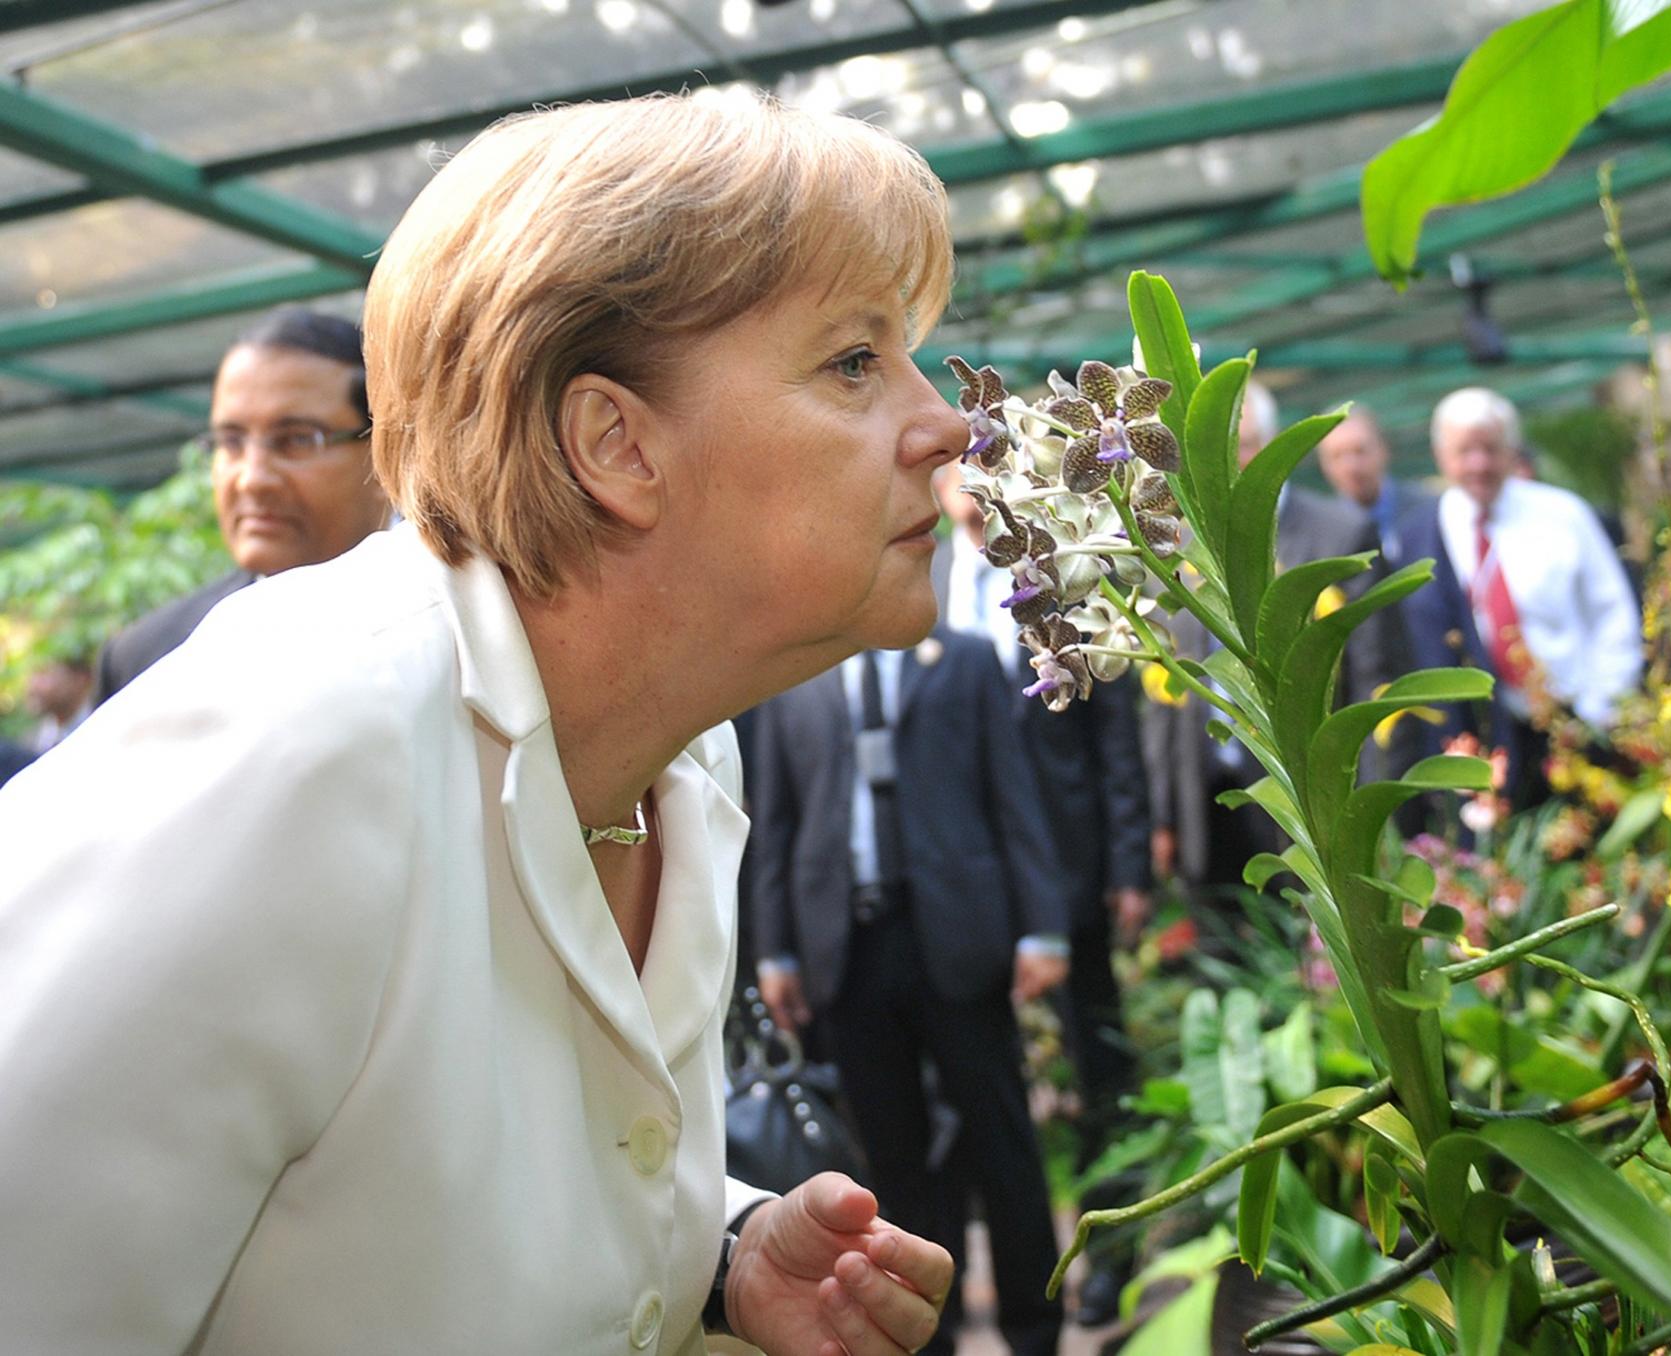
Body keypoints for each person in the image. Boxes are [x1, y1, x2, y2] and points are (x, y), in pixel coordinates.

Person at [0, 94, 961, 1356]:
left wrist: (714, 1256)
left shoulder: (674, 753)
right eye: (853, 361)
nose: (945, 422)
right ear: (613, 443)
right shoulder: (290, 756)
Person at [749, 633, 1070, 1356]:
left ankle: (1037, 1325)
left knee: (1000, 1136)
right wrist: (775, 950)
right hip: (849, 942)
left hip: (958, 933)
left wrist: (1042, 928)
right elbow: (774, 820)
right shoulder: (794, 668)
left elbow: (1011, 790)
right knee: (890, 1158)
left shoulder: (962, 660)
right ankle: (928, 1330)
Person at [932, 458, 1152, 1326]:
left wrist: (1128, 867)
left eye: (989, 479)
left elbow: (1115, 741)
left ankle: (1114, 1248)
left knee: (1099, 1060)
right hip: (967, 869)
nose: (975, 498)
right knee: (974, 1066)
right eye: (961, 481)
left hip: (1070, 862)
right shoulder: (926, 577)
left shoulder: (1060, 577)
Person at [1144, 381, 1414, 892]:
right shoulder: (1174, 546)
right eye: (1205, 448)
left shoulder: (1339, 536)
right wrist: (1162, 814)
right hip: (1208, 796)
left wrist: (1373, 817)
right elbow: (1163, 695)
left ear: (1268, 444)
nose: (1221, 460)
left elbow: (1379, 680)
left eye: (1238, 443)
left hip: (1307, 797)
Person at [94, 308, 392, 704]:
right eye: (231, 442)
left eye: (298, 440)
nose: (252, 478)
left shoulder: (451, 629)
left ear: (384, 451)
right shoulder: (147, 656)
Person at [1399, 387, 1642, 806]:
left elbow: (1613, 611)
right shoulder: (1420, 534)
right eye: (1464, 451)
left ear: (1511, 450)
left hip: (1577, 720)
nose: (1478, 464)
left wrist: (1603, 706)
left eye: (1490, 449)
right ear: (1442, 456)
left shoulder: (1562, 515)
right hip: (1491, 741)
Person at [1315, 402, 1430, 565]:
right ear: (1323, 465)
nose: (1351, 467)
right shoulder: (1320, 532)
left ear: (1384, 449)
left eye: (1360, 451)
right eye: (1337, 456)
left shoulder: (1427, 510)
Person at [24, 654, 92, 754]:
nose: (34, 685)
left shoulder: (107, 723)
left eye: (45, 674)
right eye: (33, 675)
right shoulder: (33, 743)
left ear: (80, 679)